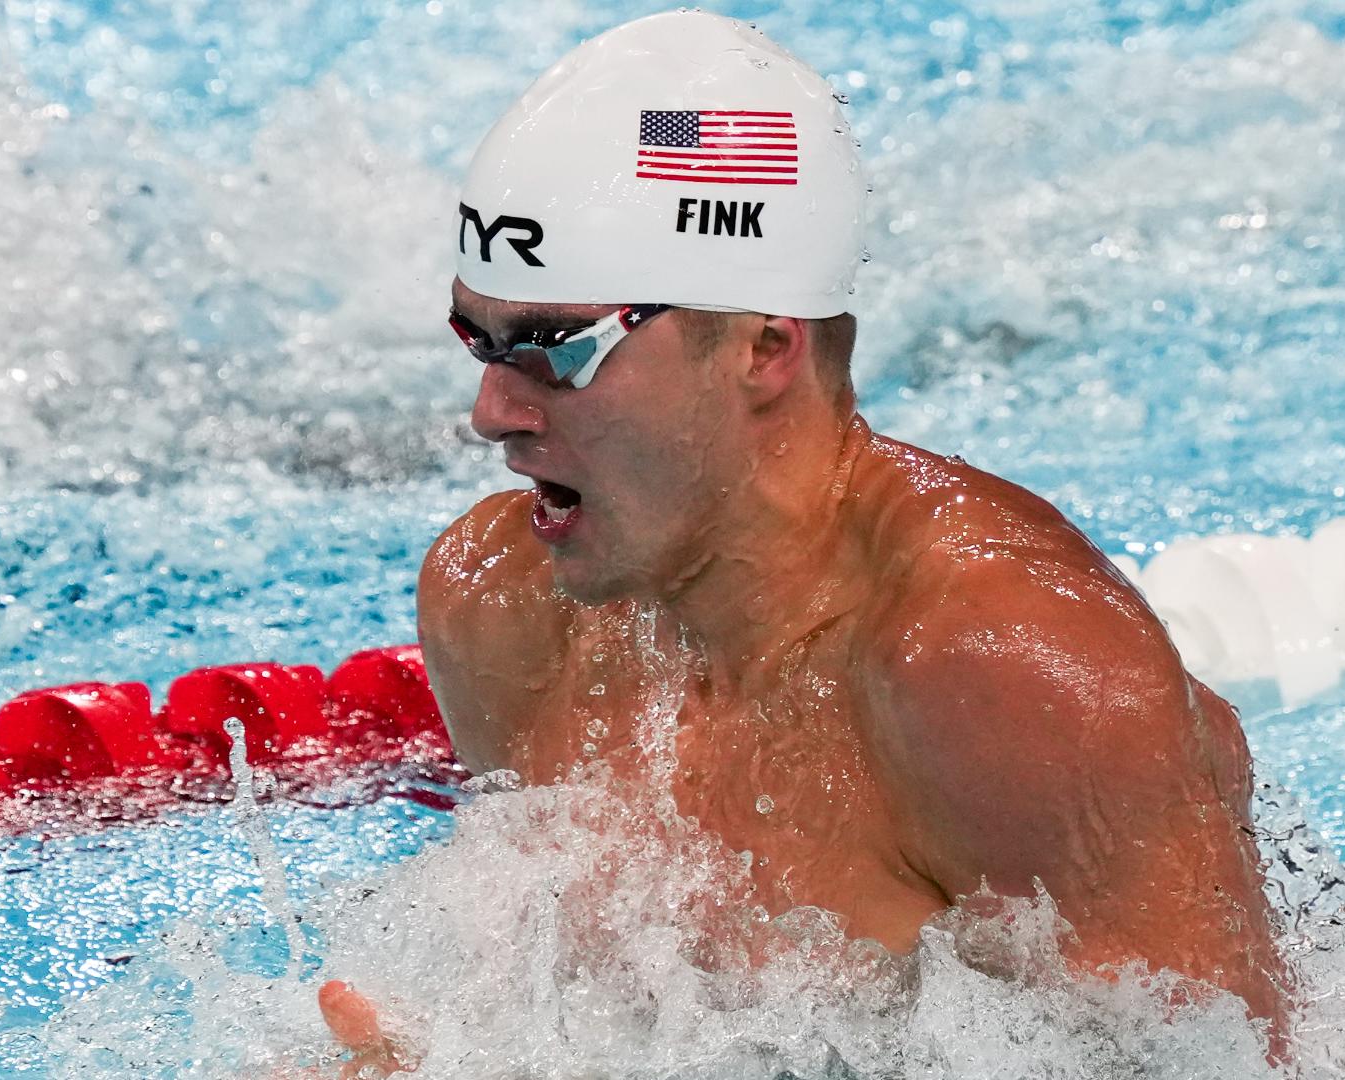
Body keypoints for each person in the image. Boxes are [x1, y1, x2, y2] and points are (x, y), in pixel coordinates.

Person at [317, 10, 1287, 1073]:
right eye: (478, 339)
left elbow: (1228, 1062)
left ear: (764, 348)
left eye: (555, 350)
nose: (492, 410)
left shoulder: (999, 676)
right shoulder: (503, 605)